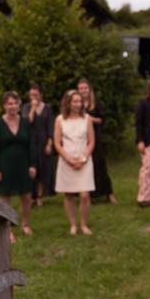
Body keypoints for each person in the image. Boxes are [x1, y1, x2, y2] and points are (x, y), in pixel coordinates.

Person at [0, 91, 37, 241]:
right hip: (5, 166)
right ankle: (7, 229)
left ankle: (25, 224)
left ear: (19, 105)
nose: (13, 106)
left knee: (27, 196)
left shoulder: (25, 122)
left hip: (24, 165)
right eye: (9, 103)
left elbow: (32, 145)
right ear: (4, 105)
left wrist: (33, 165)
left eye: (15, 103)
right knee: (5, 198)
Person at [54, 90, 95, 235]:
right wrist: (69, 159)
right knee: (69, 194)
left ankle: (83, 224)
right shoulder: (60, 120)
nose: (78, 104)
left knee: (84, 194)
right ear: (68, 103)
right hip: (67, 161)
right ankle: (73, 224)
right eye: (75, 101)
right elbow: (57, 143)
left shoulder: (87, 119)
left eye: (80, 101)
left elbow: (91, 141)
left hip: (84, 160)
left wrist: (83, 159)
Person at [77, 79, 116, 204]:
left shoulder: (96, 104)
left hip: (95, 138)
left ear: (89, 89)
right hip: (81, 140)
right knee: (85, 167)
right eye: (81, 88)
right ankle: (87, 195)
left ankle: (108, 194)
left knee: (100, 165)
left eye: (85, 88)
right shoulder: (76, 104)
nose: (83, 91)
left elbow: (101, 120)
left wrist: (88, 118)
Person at [27, 84, 55, 205]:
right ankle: (30, 196)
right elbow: (27, 122)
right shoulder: (26, 107)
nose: (34, 97)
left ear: (41, 95)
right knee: (32, 169)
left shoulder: (47, 108)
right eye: (32, 95)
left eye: (36, 95)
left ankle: (39, 196)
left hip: (43, 141)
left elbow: (50, 127)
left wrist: (49, 143)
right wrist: (33, 108)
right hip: (30, 142)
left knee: (43, 169)